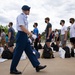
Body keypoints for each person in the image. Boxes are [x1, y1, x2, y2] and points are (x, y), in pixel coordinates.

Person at [10, 5, 46, 74]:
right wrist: (31, 34)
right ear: (26, 10)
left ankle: (37, 65)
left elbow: (25, 28)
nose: (29, 11)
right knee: (18, 53)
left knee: (29, 51)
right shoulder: (20, 16)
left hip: (24, 36)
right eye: (29, 10)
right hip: (21, 35)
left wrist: (28, 35)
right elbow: (22, 27)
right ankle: (12, 69)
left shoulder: (25, 17)